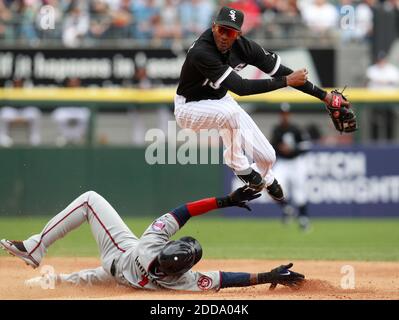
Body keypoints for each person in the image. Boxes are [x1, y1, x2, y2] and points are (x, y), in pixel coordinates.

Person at [174, 6, 337, 203]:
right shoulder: (202, 51)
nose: (225, 36)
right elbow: (242, 88)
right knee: (229, 114)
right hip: (189, 107)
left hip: (220, 102)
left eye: (231, 32)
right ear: (213, 27)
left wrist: (325, 97)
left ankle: (267, 178)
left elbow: (283, 72)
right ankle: (238, 164)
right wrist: (286, 82)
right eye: (221, 30)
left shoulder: (245, 47)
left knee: (268, 156)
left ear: (239, 34)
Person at [0, 187, 305, 291]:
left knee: (90, 199)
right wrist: (267, 275)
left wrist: (225, 200)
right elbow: (226, 278)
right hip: (122, 280)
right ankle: (52, 282)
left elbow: (183, 211)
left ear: (167, 248)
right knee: (84, 281)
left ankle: (36, 248)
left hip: (120, 254)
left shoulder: (150, 245)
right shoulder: (179, 282)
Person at [270, 103, 311, 231]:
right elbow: (273, 147)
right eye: (282, 114)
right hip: (283, 162)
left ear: (290, 115)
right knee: (272, 185)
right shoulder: (277, 130)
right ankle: (287, 208)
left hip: (296, 162)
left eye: (286, 114)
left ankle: (304, 219)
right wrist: (281, 149)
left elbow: (306, 146)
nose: (284, 116)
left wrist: (292, 149)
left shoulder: (296, 129)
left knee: (299, 192)